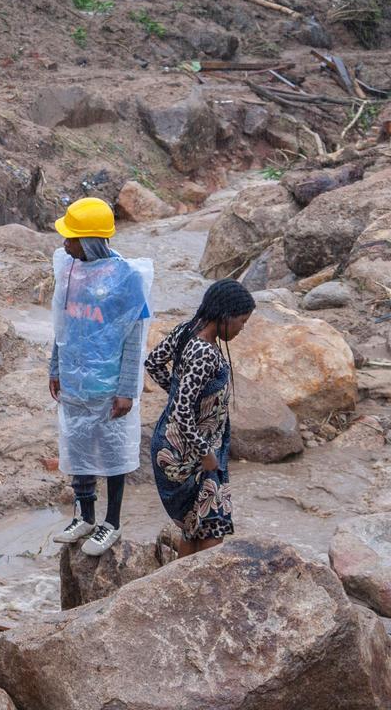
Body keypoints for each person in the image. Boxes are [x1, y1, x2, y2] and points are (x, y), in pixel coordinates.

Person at [48, 198, 152, 556]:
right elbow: (62, 325)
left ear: (90, 240)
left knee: (112, 456)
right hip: (75, 383)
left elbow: (134, 339)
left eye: (71, 238)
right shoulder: (70, 271)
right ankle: (86, 515)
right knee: (78, 449)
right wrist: (55, 367)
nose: (64, 243)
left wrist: (126, 390)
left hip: (108, 387)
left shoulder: (126, 279)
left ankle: (112, 521)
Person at [145, 278, 254, 558]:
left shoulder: (186, 331)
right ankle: (201, 591)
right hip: (188, 450)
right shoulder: (205, 351)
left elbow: (153, 362)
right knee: (212, 525)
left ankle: (179, 587)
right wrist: (205, 452)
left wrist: (177, 393)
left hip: (172, 441)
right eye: (242, 321)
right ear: (225, 316)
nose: (242, 328)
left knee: (196, 526)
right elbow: (183, 412)